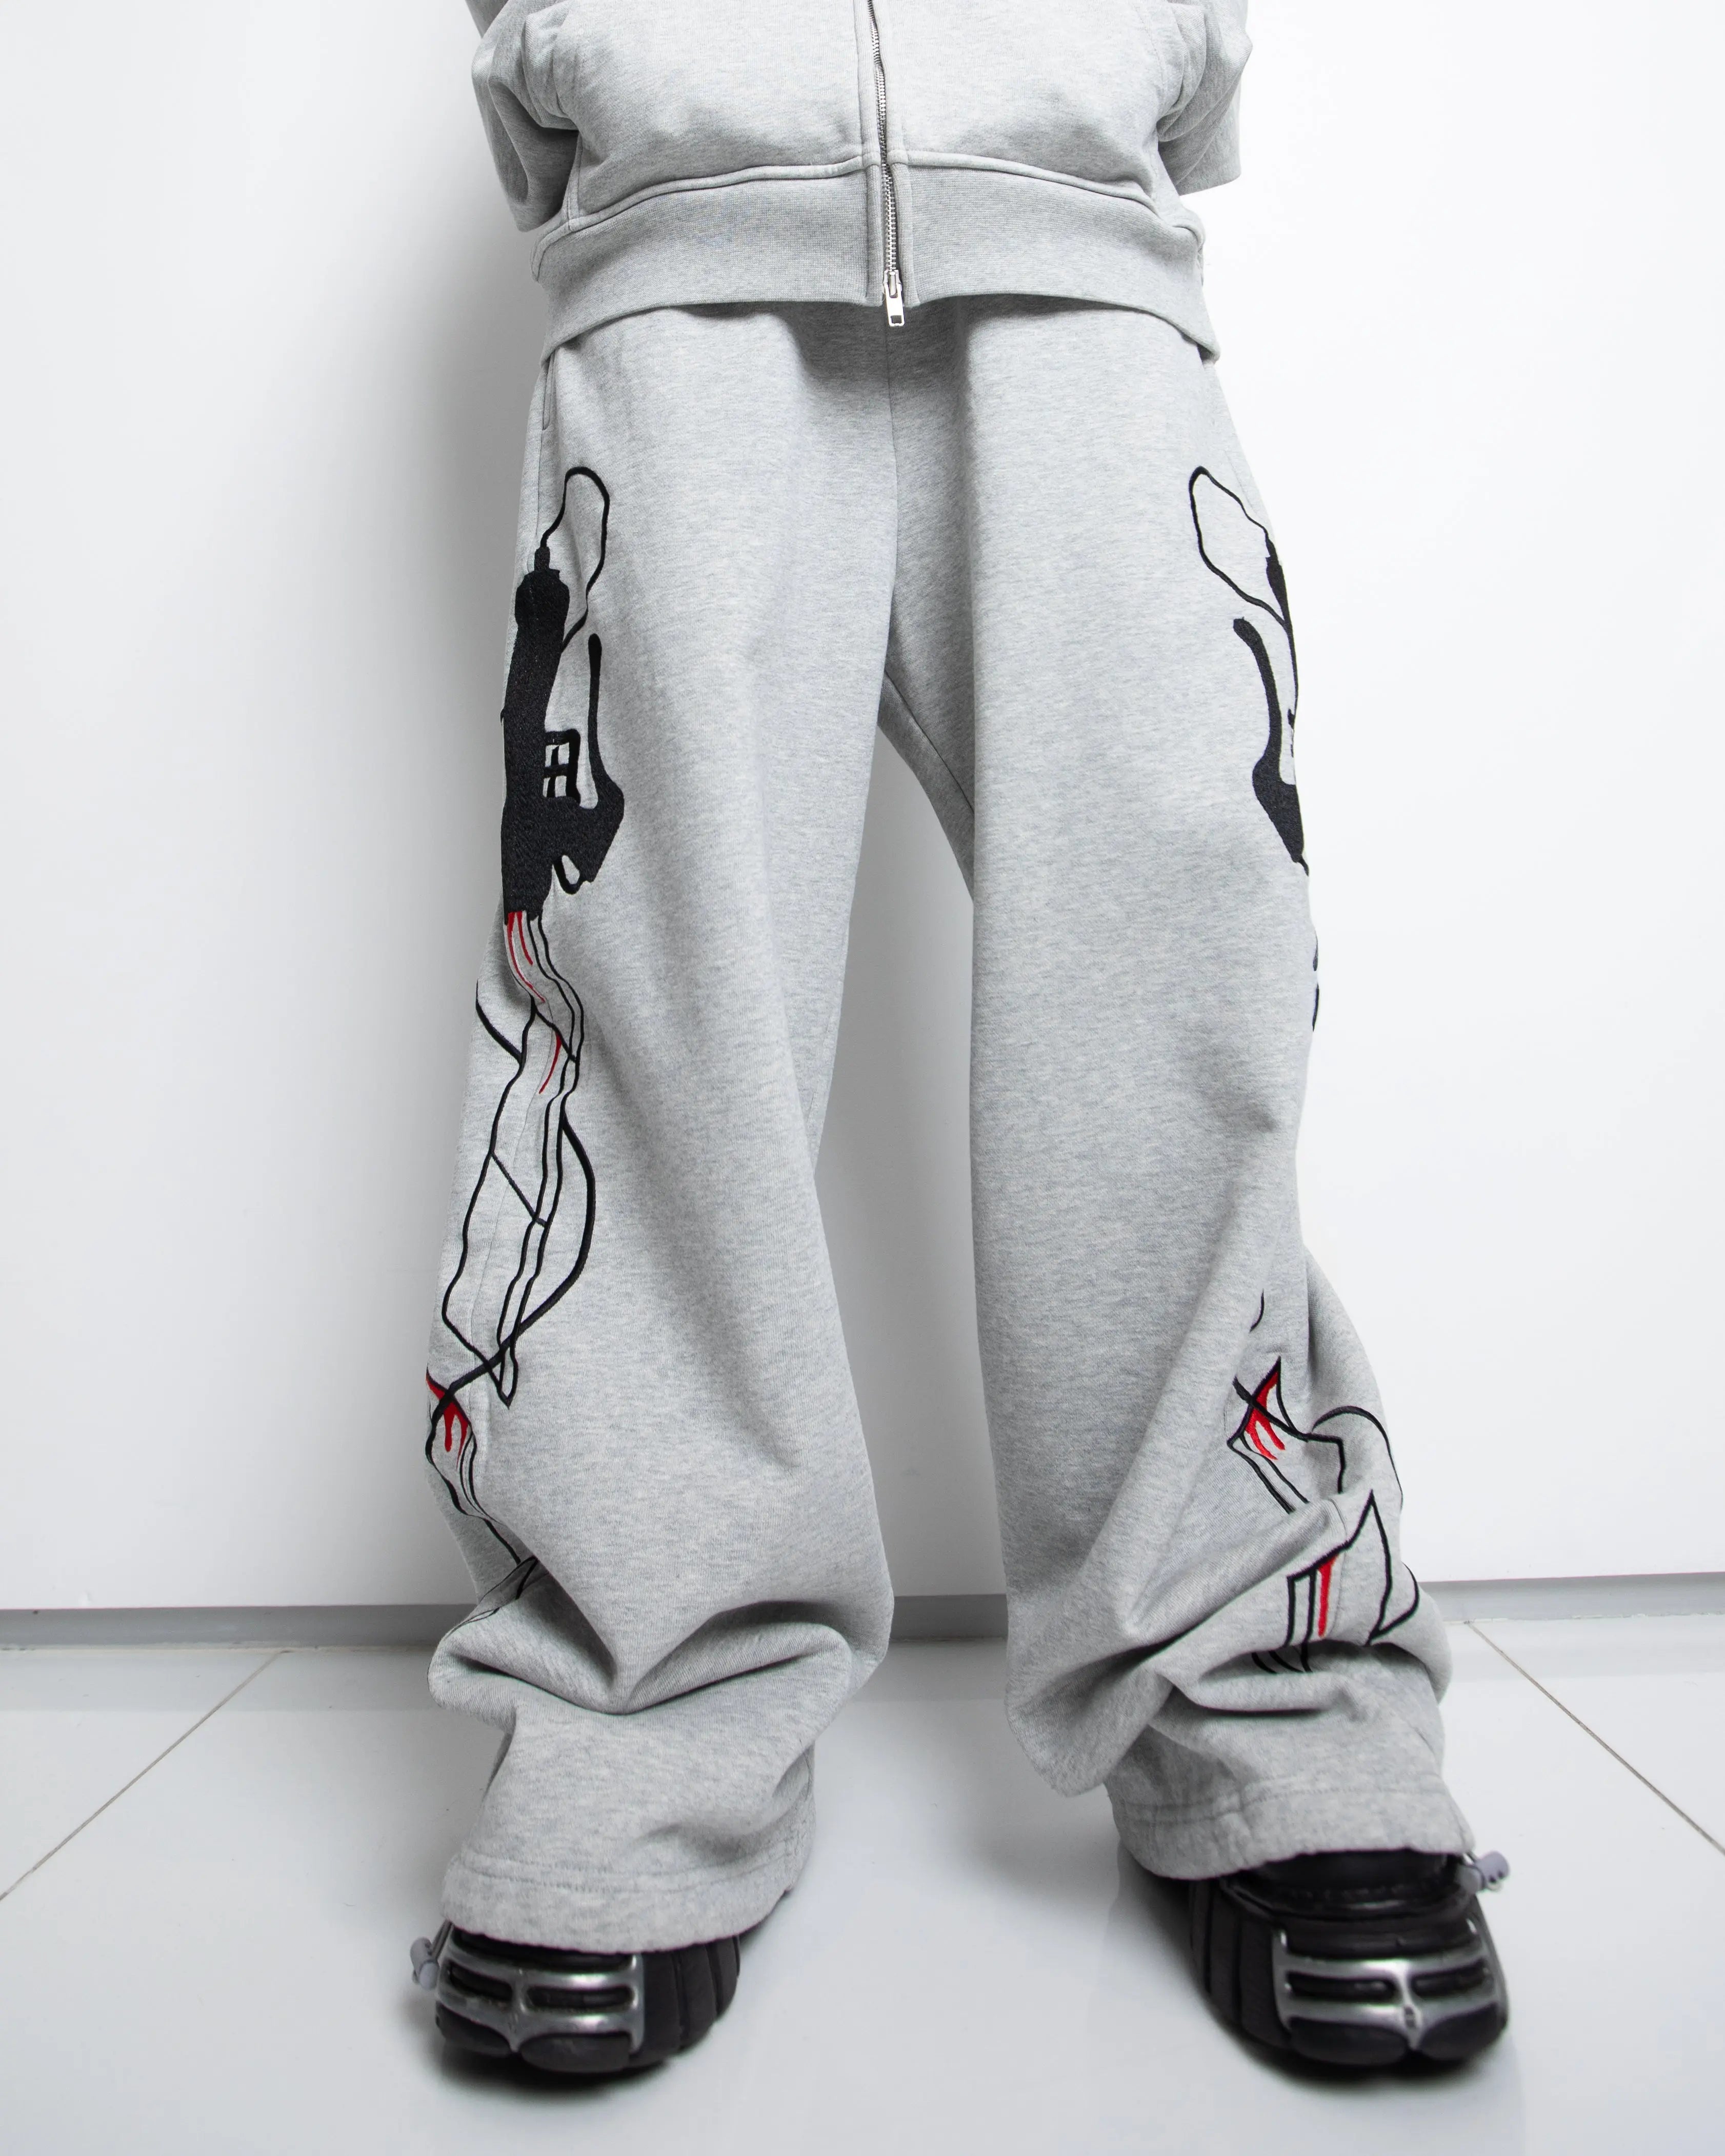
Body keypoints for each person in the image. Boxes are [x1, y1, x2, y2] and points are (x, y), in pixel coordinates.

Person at [410, 0, 1510, 2075]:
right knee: (651, 1015)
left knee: (1179, 991)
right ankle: (636, 1724)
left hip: (1077, 249)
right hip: (684, 243)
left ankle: (1267, 1705)